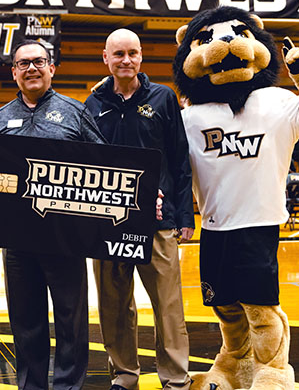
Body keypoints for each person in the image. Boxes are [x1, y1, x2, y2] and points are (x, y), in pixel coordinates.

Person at [0, 40, 105, 390]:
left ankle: (68, 386)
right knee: (26, 321)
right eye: (23, 64)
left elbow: (104, 165)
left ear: (52, 68)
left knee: (71, 319)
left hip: (64, 237)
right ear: (14, 72)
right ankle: (32, 386)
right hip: (17, 240)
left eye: (39, 61)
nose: (32, 69)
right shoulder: (0, 118)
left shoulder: (75, 112)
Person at [84, 28, 193, 390]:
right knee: (114, 306)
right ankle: (126, 374)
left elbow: (180, 160)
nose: (126, 60)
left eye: (132, 53)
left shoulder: (162, 98)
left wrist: (185, 216)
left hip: (158, 223)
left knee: (168, 306)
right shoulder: (94, 104)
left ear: (141, 56)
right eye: (118, 54)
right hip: (107, 224)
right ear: (106, 59)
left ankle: (175, 377)